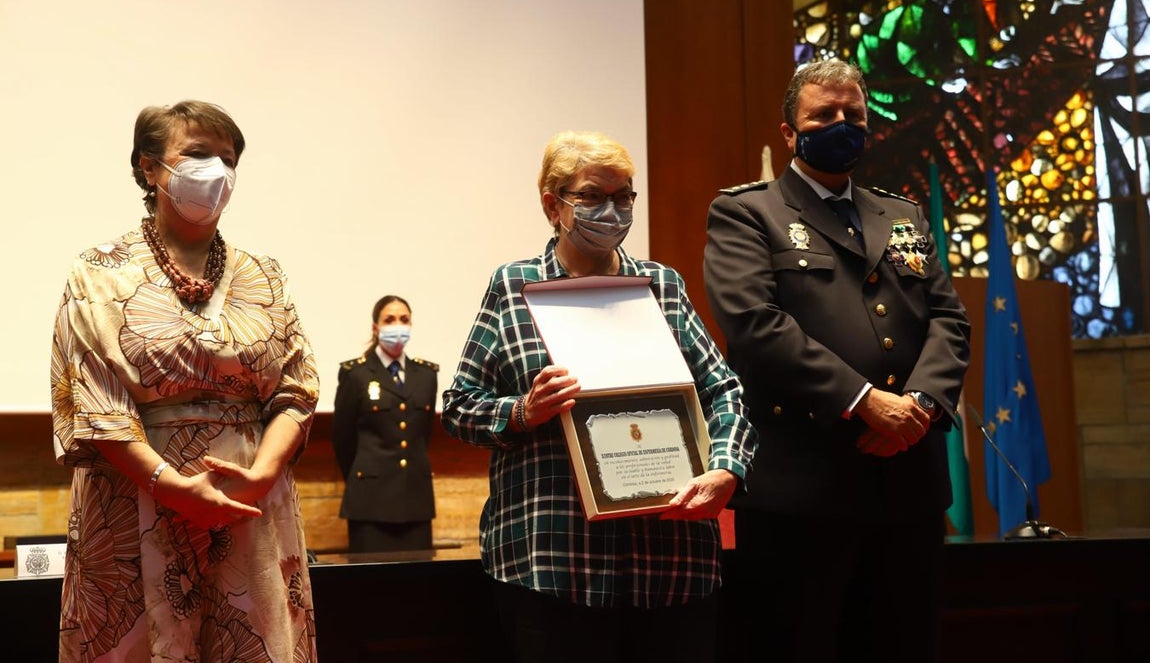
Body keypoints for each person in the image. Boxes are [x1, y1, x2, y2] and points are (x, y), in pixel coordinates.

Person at [441, 130, 758, 663]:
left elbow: (724, 390)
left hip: (671, 566)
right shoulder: (514, 285)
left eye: (623, 196)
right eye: (592, 196)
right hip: (554, 565)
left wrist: (727, 468)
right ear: (553, 205)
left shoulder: (661, 286)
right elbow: (459, 407)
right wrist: (522, 411)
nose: (612, 211)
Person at [703, 59, 971, 663]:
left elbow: (949, 321)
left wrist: (918, 407)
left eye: (853, 113)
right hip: (803, 490)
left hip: (907, 485)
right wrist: (864, 401)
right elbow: (754, 324)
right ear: (789, 132)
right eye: (823, 115)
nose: (841, 124)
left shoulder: (900, 215)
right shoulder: (748, 212)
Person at [50, 100, 320, 662]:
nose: (216, 171)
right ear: (149, 167)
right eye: (198, 154)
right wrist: (172, 487)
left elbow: (296, 389)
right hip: (133, 501)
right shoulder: (97, 271)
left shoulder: (265, 274)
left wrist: (261, 475)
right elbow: (96, 401)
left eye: (228, 159)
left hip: (251, 505)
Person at [333, 294, 439, 552]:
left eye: (404, 319)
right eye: (389, 320)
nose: (397, 325)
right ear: (375, 327)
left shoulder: (426, 375)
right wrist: (364, 477)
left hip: (416, 500)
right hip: (369, 501)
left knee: (420, 576)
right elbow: (342, 439)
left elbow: (423, 435)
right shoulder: (355, 374)